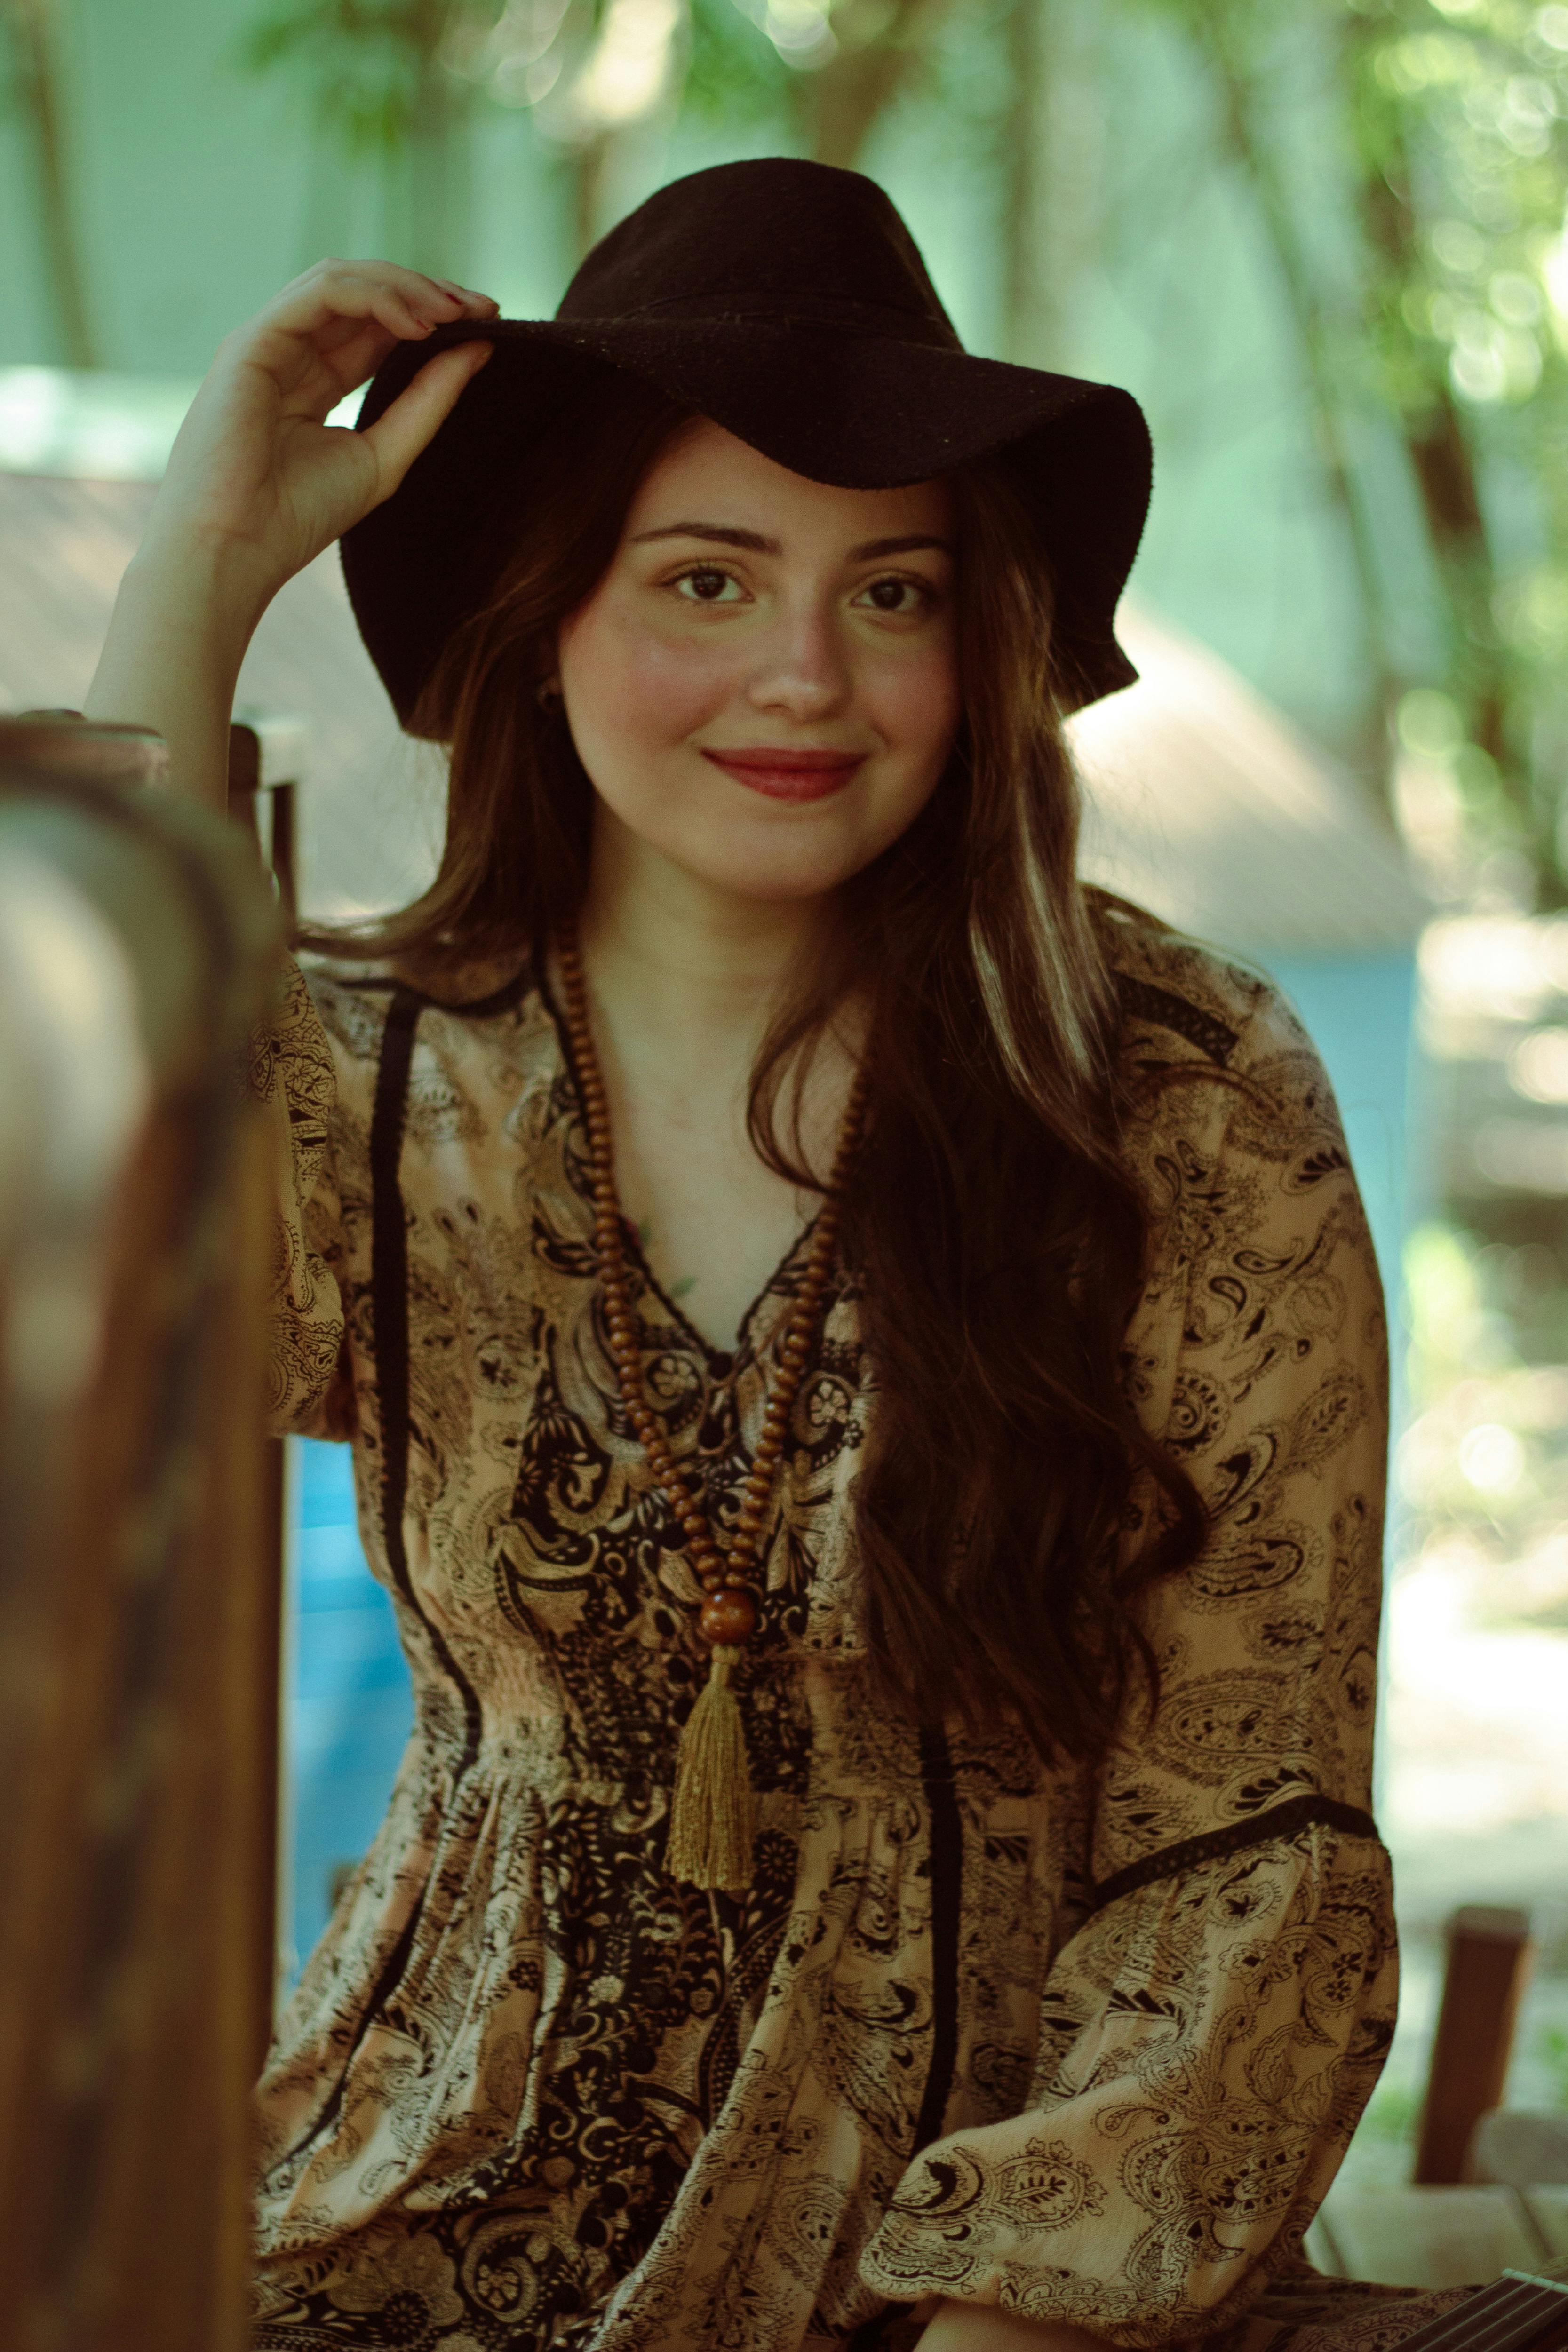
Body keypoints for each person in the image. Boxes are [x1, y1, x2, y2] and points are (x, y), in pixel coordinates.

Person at [87, 160, 1401, 2352]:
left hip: (998, 2285)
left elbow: (1249, 1841)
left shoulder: (1175, 1085)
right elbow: (73, 1261)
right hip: (400, 2244)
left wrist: (1015, 2322)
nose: (808, 675)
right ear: (548, 613)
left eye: (894, 593)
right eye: (707, 576)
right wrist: (206, 568)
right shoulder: (378, 1077)